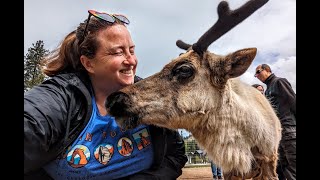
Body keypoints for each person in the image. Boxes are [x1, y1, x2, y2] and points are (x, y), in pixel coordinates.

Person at [24, 9, 188, 180]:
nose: (131, 61)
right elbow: (32, 123)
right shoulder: (63, 96)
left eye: (131, 51)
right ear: (88, 64)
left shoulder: (149, 97)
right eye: (118, 52)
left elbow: (174, 154)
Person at [254, 64, 296, 180]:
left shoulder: (279, 82)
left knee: (293, 165)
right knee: (282, 166)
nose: (257, 76)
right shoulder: (267, 90)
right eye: (255, 74)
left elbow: (293, 102)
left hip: (289, 130)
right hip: (278, 134)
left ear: (267, 70)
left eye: (258, 72)